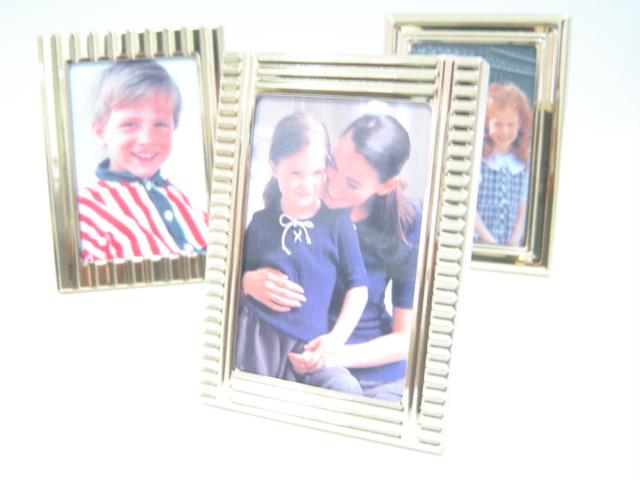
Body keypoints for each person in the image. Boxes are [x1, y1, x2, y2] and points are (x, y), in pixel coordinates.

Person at [244, 114, 422, 402]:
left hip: (369, 369)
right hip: (291, 356)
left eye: (352, 183)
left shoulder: (406, 226)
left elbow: (406, 337)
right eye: (333, 166)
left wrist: (335, 354)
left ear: (386, 185)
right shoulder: (288, 202)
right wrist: (246, 282)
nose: (332, 185)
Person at [235, 112, 369, 395]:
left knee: (346, 390)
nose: (307, 184)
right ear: (274, 167)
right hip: (257, 340)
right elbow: (233, 280)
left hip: (310, 350)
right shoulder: (260, 223)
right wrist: (246, 281)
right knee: (255, 399)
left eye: (317, 173)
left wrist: (334, 340)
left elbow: (359, 288)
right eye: (295, 173)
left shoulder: (337, 223)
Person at [77, 60, 208, 262]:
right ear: (101, 132)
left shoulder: (182, 197)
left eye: (160, 125)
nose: (147, 139)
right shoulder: (86, 209)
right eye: (130, 124)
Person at [474, 82, 534, 246]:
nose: (504, 131)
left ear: (520, 124)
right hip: (479, 243)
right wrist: (489, 242)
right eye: (498, 124)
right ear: (487, 122)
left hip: (509, 245)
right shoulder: (479, 161)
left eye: (511, 124)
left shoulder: (524, 164)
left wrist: (512, 244)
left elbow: (523, 209)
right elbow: (470, 207)